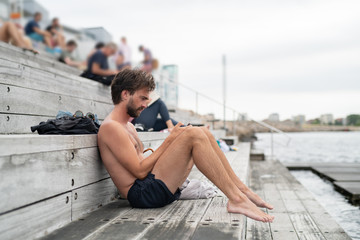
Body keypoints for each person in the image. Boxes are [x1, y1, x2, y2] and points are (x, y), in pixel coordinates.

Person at [97, 69, 274, 223]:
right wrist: (170, 139)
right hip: (143, 195)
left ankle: (241, 190)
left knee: (202, 132)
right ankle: (236, 199)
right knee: (193, 134)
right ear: (125, 94)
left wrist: (174, 140)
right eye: (143, 98)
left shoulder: (127, 125)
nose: (145, 105)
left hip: (150, 184)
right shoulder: (111, 128)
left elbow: (142, 165)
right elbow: (139, 171)